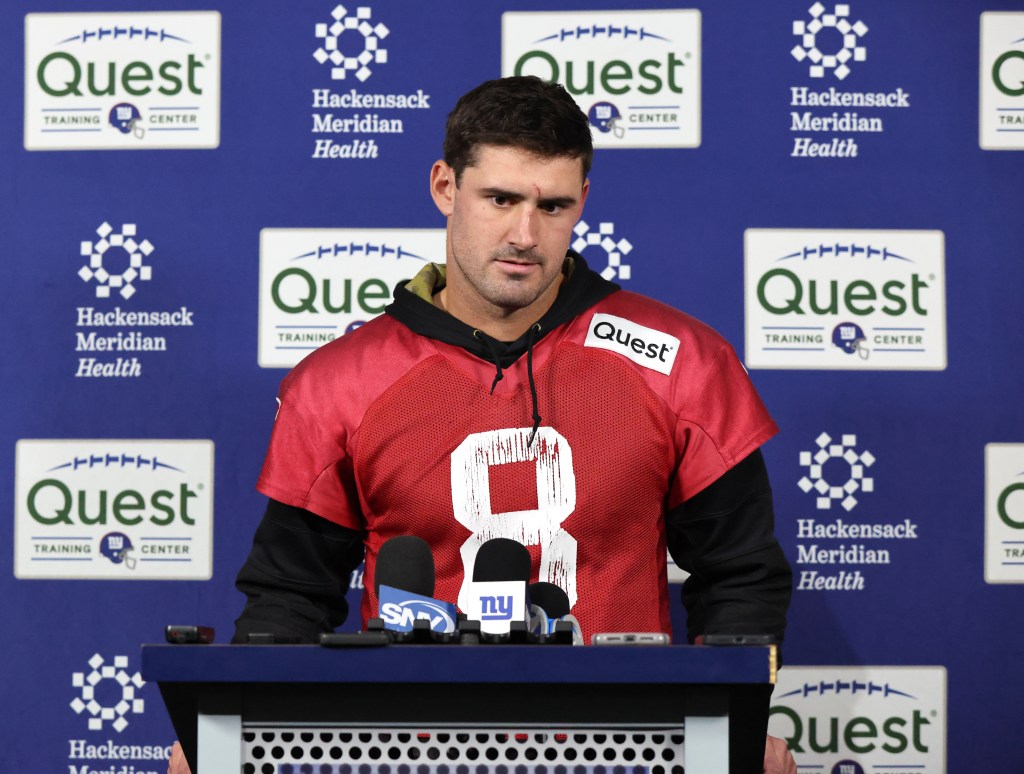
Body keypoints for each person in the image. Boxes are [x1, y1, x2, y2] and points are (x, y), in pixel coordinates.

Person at [168, 76, 795, 774]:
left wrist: (743, 722)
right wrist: (228, 734)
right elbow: (290, 594)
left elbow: (740, 576)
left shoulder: (680, 362)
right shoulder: (338, 383)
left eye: (553, 206)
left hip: (625, 748)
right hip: (406, 755)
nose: (525, 235)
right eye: (500, 199)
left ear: (583, 202)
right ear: (444, 186)